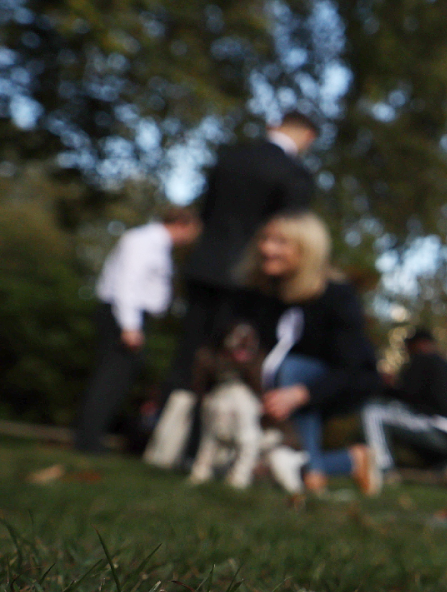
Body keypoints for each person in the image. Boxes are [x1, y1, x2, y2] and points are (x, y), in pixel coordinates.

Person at [159, 112, 319, 416]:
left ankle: (165, 436)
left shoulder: (231, 157)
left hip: (204, 266)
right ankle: (199, 442)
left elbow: (207, 212)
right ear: (307, 137)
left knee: (188, 352)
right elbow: (289, 231)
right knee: (232, 361)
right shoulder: (294, 173)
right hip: (248, 278)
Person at [234, 211, 382, 495]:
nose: (266, 248)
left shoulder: (336, 296)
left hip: (338, 383)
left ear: (306, 250)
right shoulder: (259, 293)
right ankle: (350, 460)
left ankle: (311, 474)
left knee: (291, 369)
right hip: (278, 384)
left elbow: (350, 367)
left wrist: (300, 394)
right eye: (264, 239)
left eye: (280, 242)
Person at [73, 207, 202, 452]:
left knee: (117, 380)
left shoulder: (157, 245)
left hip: (131, 317)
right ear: (183, 224)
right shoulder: (143, 241)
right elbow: (128, 283)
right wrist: (130, 325)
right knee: (110, 379)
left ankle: (92, 438)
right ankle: (88, 442)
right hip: (124, 316)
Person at [360, 328, 447, 492]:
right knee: (410, 423)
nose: (407, 352)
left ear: (419, 344)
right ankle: (445, 467)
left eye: (409, 347)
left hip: (438, 427)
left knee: (373, 412)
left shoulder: (422, 360)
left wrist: (387, 385)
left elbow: (407, 396)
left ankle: (384, 469)